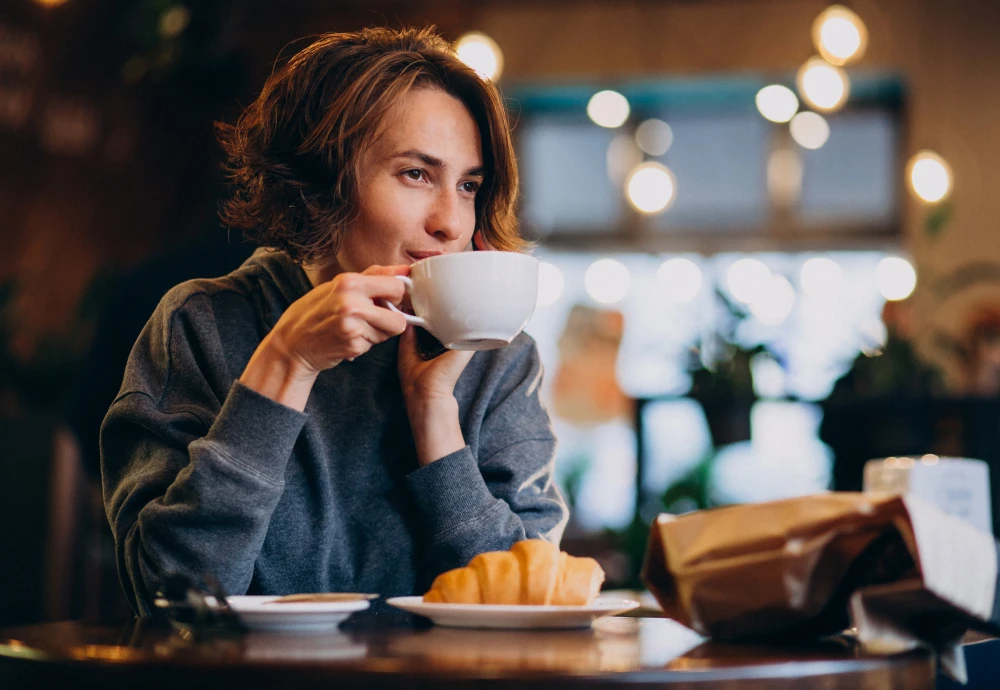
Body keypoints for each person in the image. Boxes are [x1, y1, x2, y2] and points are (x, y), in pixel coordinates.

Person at [100, 27, 568, 615]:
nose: (452, 222)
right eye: (416, 174)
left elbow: (530, 604)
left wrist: (436, 420)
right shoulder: (206, 324)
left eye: (469, 185)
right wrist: (284, 364)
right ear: (320, 181)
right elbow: (174, 598)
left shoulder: (497, 357)